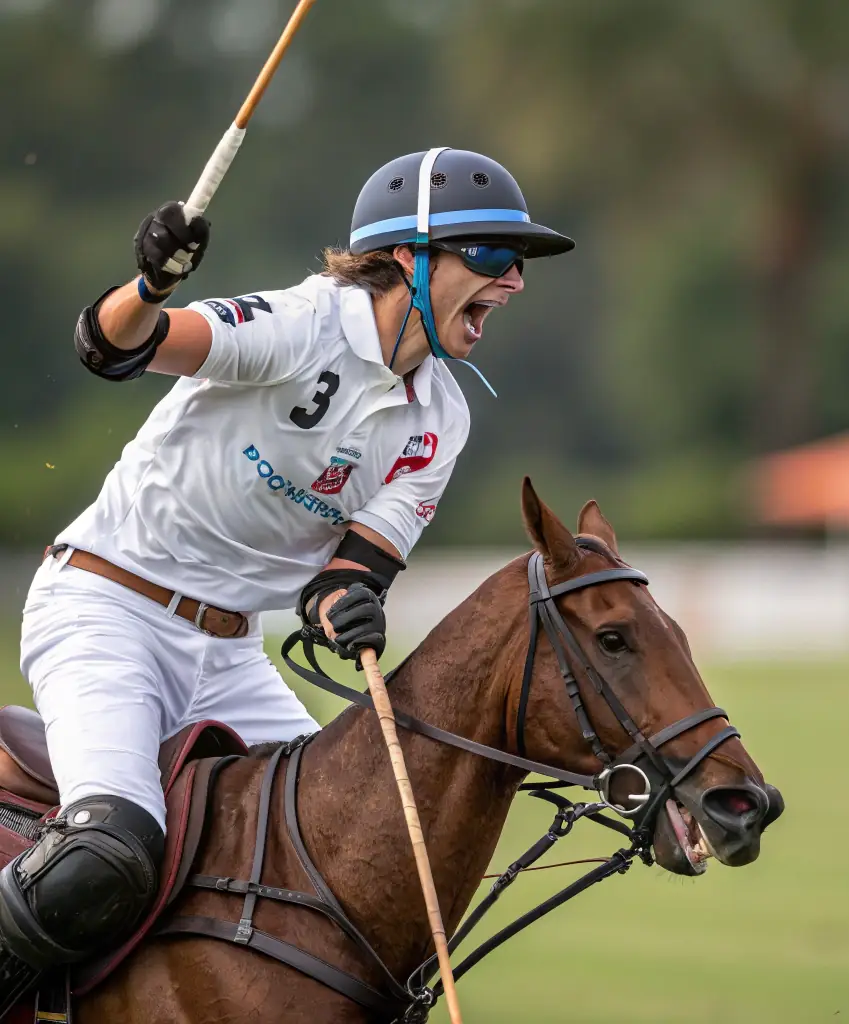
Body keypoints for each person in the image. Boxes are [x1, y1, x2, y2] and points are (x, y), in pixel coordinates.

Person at [0, 147, 573, 1011]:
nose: (515, 280)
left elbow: (349, 573)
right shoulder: (302, 324)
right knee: (105, 852)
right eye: (492, 254)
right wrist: (151, 285)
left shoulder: (441, 418)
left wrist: (350, 606)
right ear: (409, 258)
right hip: (107, 608)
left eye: (518, 261)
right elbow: (115, 345)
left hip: (230, 653)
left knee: (357, 849)